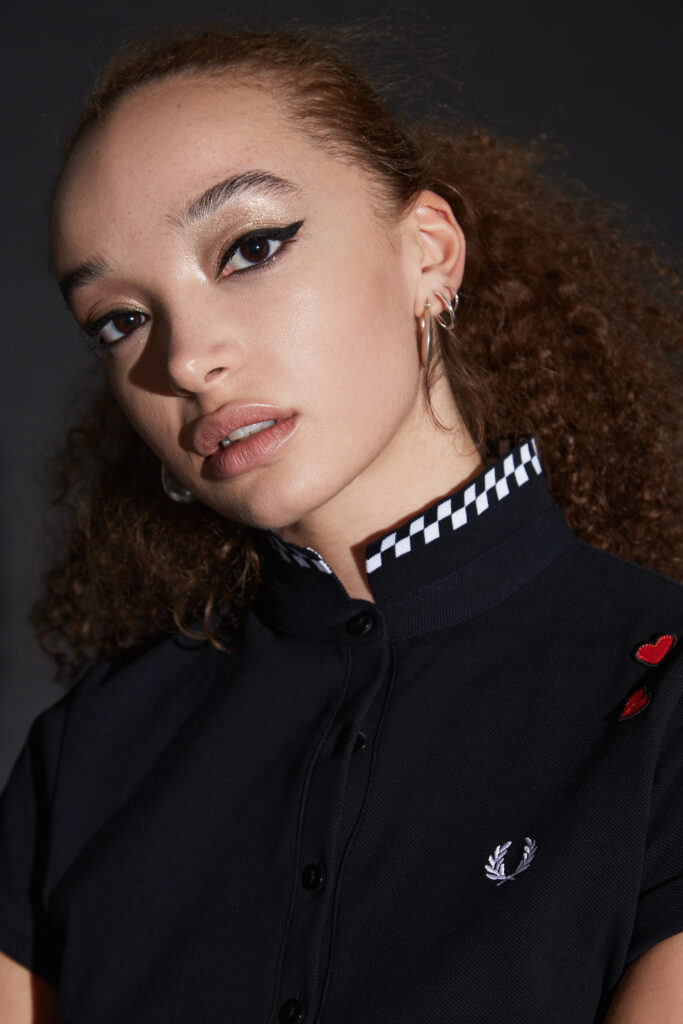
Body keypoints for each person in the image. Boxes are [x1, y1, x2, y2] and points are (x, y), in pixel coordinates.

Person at [1, 24, 682, 1024]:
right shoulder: (91, 752)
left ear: (427, 253)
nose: (184, 359)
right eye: (120, 319)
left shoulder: (659, 696)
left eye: (250, 248)